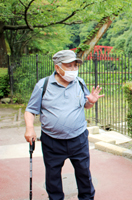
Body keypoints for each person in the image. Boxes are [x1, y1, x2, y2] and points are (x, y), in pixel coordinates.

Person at [24, 50, 104, 200]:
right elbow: (30, 110)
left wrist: (90, 102)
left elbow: (85, 105)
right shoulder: (43, 85)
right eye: (69, 66)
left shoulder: (80, 82)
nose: (73, 69)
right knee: (53, 177)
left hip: (78, 139)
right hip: (52, 141)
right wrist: (29, 128)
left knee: (84, 174)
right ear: (57, 67)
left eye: (75, 65)